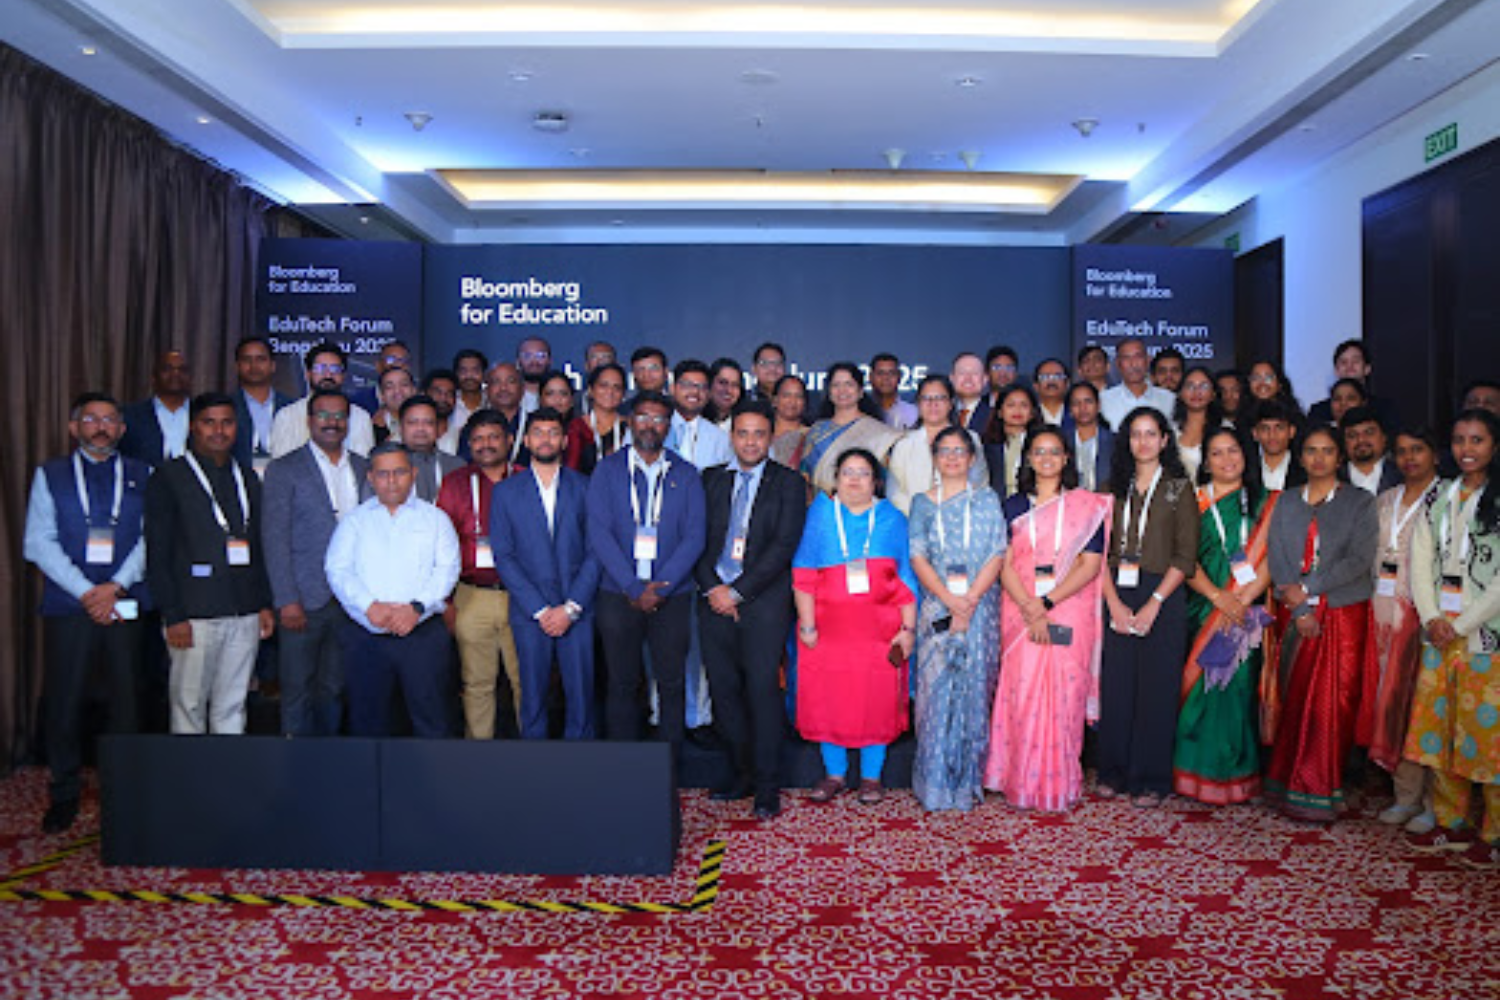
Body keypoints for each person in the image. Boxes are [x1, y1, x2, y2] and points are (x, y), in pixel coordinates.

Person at [24, 392, 150, 833]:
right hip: (69, 604)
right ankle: (63, 793)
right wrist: (88, 592)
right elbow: (37, 542)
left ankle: (130, 794)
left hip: (126, 600)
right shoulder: (51, 474)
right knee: (65, 701)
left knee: (127, 702)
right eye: (91, 419)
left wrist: (114, 587)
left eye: (110, 420)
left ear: (121, 429)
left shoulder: (142, 473)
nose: (101, 426)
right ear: (74, 427)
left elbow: (151, 538)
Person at [985, 427, 1110, 811]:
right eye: (1038, 451)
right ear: (1027, 458)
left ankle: (1058, 784)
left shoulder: (1086, 506)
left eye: (1054, 451)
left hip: (1068, 609)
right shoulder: (1012, 506)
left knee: (1064, 697)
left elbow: (1090, 565)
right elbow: (1001, 561)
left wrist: (1048, 601)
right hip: (1019, 609)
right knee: (1021, 696)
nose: (1046, 458)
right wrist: (1029, 605)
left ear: (1067, 458)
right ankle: (1019, 780)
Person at [694, 402, 807, 818]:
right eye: (743, 433)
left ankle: (766, 784)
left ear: (770, 437)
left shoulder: (790, 483)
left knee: (761, 692)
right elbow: (693, 540)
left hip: (762, 603)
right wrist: (714, 589)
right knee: (724, 693)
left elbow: (783, 547)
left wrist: (737, 592)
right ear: (732, 436)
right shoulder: (709, 481)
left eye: (759, 434)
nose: (751, 441)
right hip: (712, 600)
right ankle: (740, 772)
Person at [1265, 425, 1379, 822]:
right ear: (1301, 457)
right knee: (1295, 699)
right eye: (1311, 451)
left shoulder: (1361, 504)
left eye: (1327, 451)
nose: (1318, 459)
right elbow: (1277, 558)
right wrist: (1300, 609)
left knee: (1336, 703)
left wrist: (1309, 589)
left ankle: (1320, 786)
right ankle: (1286, 782)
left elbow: (1358, 561)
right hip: (1295, 614)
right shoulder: (1286, 502)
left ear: (1340, 457)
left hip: (1343, 614)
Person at [146, 392, 275, 734]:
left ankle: (226, 782)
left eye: (227, 423)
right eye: (209, 422)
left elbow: (259, 546)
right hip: (193, 614)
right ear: (193, 427)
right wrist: (172, 614)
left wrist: (262, 603)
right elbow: (157, 553)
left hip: (244, 611)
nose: (219, 431)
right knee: (188, 706)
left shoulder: (247, 477)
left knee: (233, 705)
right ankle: (190, 786)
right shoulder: (169, 477)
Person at [794, 449, 918, 804]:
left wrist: (907, 630)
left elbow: (906, 579)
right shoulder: (819, 515)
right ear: (835, 478)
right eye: (847, 472)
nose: (854, 480)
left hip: (880, 633)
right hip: (826, 632)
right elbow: (803, 573)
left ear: (875, 481)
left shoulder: (893, 519)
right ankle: (834, 775)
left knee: (875, 701)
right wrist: (807, 625)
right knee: (828, 699)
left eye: (863, 473)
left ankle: (871, 777)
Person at [1404, 409, 1500, 868]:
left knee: (1487, 737)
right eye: (1460, 439)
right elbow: (1419, 557)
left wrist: (1460, 626)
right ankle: (1451, 822)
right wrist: (1432, 618)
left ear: (1494, 446)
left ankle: (1495, 831)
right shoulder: (1438, 494)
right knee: (1440, 733)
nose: (1467, 448)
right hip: (1438, 634)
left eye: (1477, 440)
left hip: (1486, 637)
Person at [587, 391, 706, 755]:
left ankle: (670, 762)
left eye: (658, 419)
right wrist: (632, 585)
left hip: (672, 595)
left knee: (671, 682)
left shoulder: (685, 473)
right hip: (617, 593)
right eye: (643, 417)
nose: (650, 425)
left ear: (668, 426)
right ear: (630, 421)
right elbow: (598, 532)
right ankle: (623, 762)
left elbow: (694, 535)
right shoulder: (607, 470)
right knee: (621, 681)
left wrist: (661, 588)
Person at [1098, 407, 1199, 806]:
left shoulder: (1177, 488)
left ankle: (1152, 778)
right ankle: (1114, 771)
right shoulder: (1110, 487)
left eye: (1150, 434)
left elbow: (1185, 555)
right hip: (1116, 591)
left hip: (1164, 594)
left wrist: (1156, 602)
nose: (1143, 442)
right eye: (1135, 434)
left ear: (1164, 440)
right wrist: (1114, 604)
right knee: (1118, 686)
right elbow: (1096, 551)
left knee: (1157, 689)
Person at [326, 442, 461, 738]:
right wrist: (369, 606)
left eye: (399, 472)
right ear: (371, 478)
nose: (391, 480)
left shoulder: (435, 519)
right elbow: (337, 570)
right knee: (368, 720)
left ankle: (436, 781)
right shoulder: (354, 521)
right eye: (383, 474)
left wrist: (416, 608)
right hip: (366, 635)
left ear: (413, 474)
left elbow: (447, 569)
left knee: (432, 717)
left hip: (422, 633)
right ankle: (369, 783)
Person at [1173, 427, 1277, 804]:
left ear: (1247, 455)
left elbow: (1272, 557)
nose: (1226, 459)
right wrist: (1219, 597)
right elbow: (1183, 559)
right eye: (1216, 453)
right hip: (1204, 607)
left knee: (1236, 692)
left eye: (1233, 451)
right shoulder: (1191, 502)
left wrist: (1243, 598)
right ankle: (1192, 773)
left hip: (1247, 614)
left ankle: (1236, 777)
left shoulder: (1267, 502)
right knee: (1203, 689)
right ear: (1206, 460)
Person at [909, 428, 1006, 811]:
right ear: (934, 457)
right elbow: (918, 556)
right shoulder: (921, 503)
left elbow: (998, 552)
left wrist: (969, 601)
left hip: (979, 609)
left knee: (972, 693)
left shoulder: (986, 500)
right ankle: (934, 784)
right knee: (935, 694)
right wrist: (950, 601)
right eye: (944, 451)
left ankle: (966, 782)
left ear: (971, 457)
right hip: (937, 606)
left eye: (959, 451)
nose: (951, 458)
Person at [261, 389, 367, 738]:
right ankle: (295, 767)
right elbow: (275, 539)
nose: (332, 423)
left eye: (339, 416)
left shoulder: (363, 467)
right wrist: (285, 599)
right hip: (304, 599)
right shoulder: (284, 469)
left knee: (334, 688)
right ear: (309, 421)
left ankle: (328, 761)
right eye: (323, 415)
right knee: (296, 689)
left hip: (351, 601)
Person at [492, 408, 601, 741]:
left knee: (581, 697)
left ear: (565, 440)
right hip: (530, 614)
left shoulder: (586, 487)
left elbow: (596, 552)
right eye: (538, 432)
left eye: (553, 432)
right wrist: (541, 610)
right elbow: (504, 557)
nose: (545, 438)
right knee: (533, 698)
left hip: (578, 610)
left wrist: (570, 608)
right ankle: (535, 771)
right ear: (526, 440)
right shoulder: (505, 492)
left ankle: (581, 770)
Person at [1365, 427, 1441, 829]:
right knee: (1390, 703)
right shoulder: (1386, 500)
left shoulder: (1447, 499)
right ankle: (1405, 794)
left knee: (1424, 708)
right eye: (1402, 451)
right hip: (1381, 616)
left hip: (1425, 617)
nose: (1409, 458)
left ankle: (1433, 802)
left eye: (1418, 450)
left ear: (1435, 454)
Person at [436, 411, 523, 740]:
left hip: (522, 596)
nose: (485, 445)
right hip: (471, 595)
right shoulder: (455, 483)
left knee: (526, 680)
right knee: (476, 682)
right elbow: (442, 545)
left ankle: (536, 754)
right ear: (468, 444)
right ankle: (478, 755)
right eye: (478, 439)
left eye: (493, 437)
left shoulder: (527, 479)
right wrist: (444, 600)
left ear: (509, 440)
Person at [886, 374, 988, 514]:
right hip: (913, 523)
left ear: (951, 403)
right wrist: (920, 516)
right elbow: (895, 492)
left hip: (962, 521)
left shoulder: (971, 439)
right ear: (918, 404)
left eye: (940, 398)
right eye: (926, 398)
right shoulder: (904, 444)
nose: (933, 404)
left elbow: (980, 484)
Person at [800, 362, 900, 494]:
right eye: (836, 385)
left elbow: (887, 481)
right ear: (829, 392)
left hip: (865, 509)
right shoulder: (816, 431)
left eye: (849, 384)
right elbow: (805, 475)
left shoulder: (879, 433)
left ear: (860, 391)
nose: (842, 390)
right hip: (822, 508)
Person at [269, 343, 376, 458]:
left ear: (343, 375)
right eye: (320, 368)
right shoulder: (286, 416)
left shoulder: (360, 417)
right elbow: (280, 466)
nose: (328, 375)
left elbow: (364, 465)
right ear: (308, 374)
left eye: (335, 369)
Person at [230, 336, 292, 476]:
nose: (254, 366)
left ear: (272, 365)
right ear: (237, 366)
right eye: (247, 360)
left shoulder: (291, 407)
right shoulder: (227, 407)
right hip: (238, 483)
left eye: (260, 359)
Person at [120, 349, 192, 467]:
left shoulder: (202, 414)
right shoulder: (130, 415)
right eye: (167, 369)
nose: (175, 374)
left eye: (182, 370)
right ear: (154, 377)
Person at [1308, 340, 1399, 430]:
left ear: (1367, 368)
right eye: (1343, 362)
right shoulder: (1319, 411)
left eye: (1355, 361)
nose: (1349, 366)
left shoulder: (1383, 409)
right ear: (1336, 370)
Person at [668, 359, 733, 470]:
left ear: (708, 394)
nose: (694, 392)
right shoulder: (655, 427)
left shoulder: (720, 438)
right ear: (672, 389)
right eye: (687, 385)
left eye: (701, 387)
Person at [398, 394, 464, 501]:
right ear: (400, 428)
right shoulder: (386, 467)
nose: (420, 428)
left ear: (437, 428)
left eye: (428, 422)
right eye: (413, 422)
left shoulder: (456, 467)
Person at [523, 370, 592, 471]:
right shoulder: (527, 427)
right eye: (550, 394)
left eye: (563, 394)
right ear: (540, 399)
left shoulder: (583, 429)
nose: (557, 399)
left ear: (572, 400)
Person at [1100, 338, 1176, 430]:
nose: (1133, 364)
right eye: (1126, 358)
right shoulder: (1103, 401)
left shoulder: (1169, 399)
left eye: (1138, 356)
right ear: (1118, 364)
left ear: (1148, 360)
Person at [981, 383, 1040, 500]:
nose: (1017, 410)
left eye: (1024, 405)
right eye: (1011, 405)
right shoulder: (986, 446)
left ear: (1032, 413)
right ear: (1000, 412)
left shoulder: (1040, 443)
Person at [1172, 366, 1222, 483]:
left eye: (1204, 386)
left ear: (1213, 394)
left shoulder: (1224, 430)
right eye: (1190, 386)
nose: (1196, 392)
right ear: (1180, 393)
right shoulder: (1170, 430)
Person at [1067, 381, 1114, 493]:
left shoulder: (1114, 442)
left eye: (1088, 402)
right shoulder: (1061, 440)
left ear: (1098, 405)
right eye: (1076, 403)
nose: (1083, 408)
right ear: (1069, 409)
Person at [1343, 405, 1401, 494]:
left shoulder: (1403, 475)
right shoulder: (1332, 478)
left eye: (1369, 433)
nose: (1361, 440)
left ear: (1384, 437)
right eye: (1352, 435)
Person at [1252, 399, 1305, 492]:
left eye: (1279, 428)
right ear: (1255, 433)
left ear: (1291, 432)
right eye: (1265, 428)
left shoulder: (1305, 468)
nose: (1272, 435)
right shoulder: (1244, 469)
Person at [348, 340, 412, 416]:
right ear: (378, 365)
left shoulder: (418, 400)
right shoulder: (359, 401)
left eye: (402, 360)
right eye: (390, 359)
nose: (396, 365)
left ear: (408, 367)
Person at [585, 362, 630, 461]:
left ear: (623, 394)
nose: (610, 392)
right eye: (603, 386)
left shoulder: (631, 427)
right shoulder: (576, 427)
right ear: (590, 390)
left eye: (617, 387)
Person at [769, 374, 811, 469]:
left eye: (798, 396)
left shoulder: (811, 436)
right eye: (786, 395)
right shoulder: (762, 434)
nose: (792, 401)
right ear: (774, 400)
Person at [869, 353, 917, 430]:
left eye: (891, 373)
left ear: (899, 377)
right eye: (880, 373)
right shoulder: (860, 411)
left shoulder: (913, 413)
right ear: (870, 377)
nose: (886, 378)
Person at [371, 366, 416, 446]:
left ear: (414, 391)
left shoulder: (429, 423)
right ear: (381, 395)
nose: (397, 391)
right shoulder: (372, 427)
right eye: (389, 386)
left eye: (404, 384)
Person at [422, 367, 462, 455]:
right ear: (424, 394)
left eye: (449, 394)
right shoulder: (406, 435)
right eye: (437, 392)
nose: (443, 398)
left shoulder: (460, 437)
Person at [451, 348, 489, 433]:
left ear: (484, 374)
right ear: (456, 374)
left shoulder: (492, 403)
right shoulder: (449, 402)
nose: (469, 376)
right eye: (463, 371)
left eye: (475, 371)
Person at [951, 352, 989, 432]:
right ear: (952, 378)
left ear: (985, 379)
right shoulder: (944, 414)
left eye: (975, 373)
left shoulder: (995, 417)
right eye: (962, 373)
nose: (968, 378)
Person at [516, 336, 553, 418]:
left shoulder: (560, 398)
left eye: (540, 356)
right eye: (527, 356)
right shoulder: (509, 397)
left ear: (550, 361)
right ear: (518, 361)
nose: (534, 361)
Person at [706, 357, 745, 428]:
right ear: (710, 384)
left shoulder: (744, 423)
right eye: (722, 383)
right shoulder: (694, 419)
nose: (728, 390)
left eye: (735, 385)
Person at [1032, 358, 1071, 426]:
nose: (1051, 381)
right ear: (1036, 386)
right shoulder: (1029, 416)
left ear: (1067, 384)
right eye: (1045, 377)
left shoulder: (1077, 414)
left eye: (1058, 376)